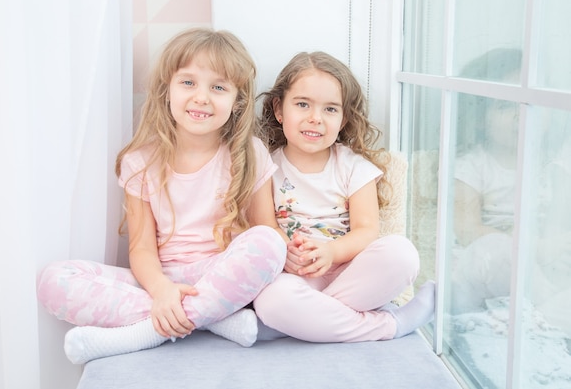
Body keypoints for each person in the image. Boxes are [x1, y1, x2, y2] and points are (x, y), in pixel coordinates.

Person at [36, 28, 287, 364]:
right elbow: (140, 248)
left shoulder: (250, 153)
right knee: (54, 280)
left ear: (237, 101)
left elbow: (267, 232)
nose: (201, 97)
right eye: (188, 83)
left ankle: (146, 331)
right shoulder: (140, 161)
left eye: (218, 87)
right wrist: (162, 291)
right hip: (161, 279)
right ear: (166, 90)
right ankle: (212, 320)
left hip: (220, 276)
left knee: (269, 244)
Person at [252, 51, 435, 343]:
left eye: (330, 109)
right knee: (271, 300)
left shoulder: (353, 167)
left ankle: (302, 322)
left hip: (348, 273)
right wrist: (290, 251)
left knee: (402, 254)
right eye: (302, 104)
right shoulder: (265, 166)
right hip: (295, 275)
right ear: (278, 109)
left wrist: (331, 253)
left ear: (344, 117)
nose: (315, 119)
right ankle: (390, 325)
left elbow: (367, 231)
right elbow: (263, 228)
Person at [450, 49, 571, 330]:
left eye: (530, 101)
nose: (521, 113)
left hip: (541, 272)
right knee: (500, 249)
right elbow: (467, 229)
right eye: (505, 106)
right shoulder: (473, 166)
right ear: (481, 117)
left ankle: (535, 321)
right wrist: (535, 247)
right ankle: (539, 320)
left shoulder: (552, 163)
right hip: (484, 271)